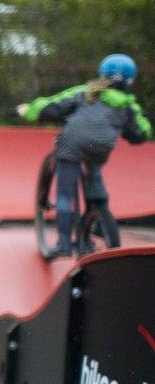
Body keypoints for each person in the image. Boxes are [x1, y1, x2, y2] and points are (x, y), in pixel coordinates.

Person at [18, 53, 151, 258]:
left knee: (65, 196)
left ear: (102, 73)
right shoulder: (127, 104)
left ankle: (63, 245)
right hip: (99, 148)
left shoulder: (85, 92)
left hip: (71, 145)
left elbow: (52, 106)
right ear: (130, 79)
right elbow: (140, 133)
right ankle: (98, 217)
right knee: (94, 172)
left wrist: (27, 111)